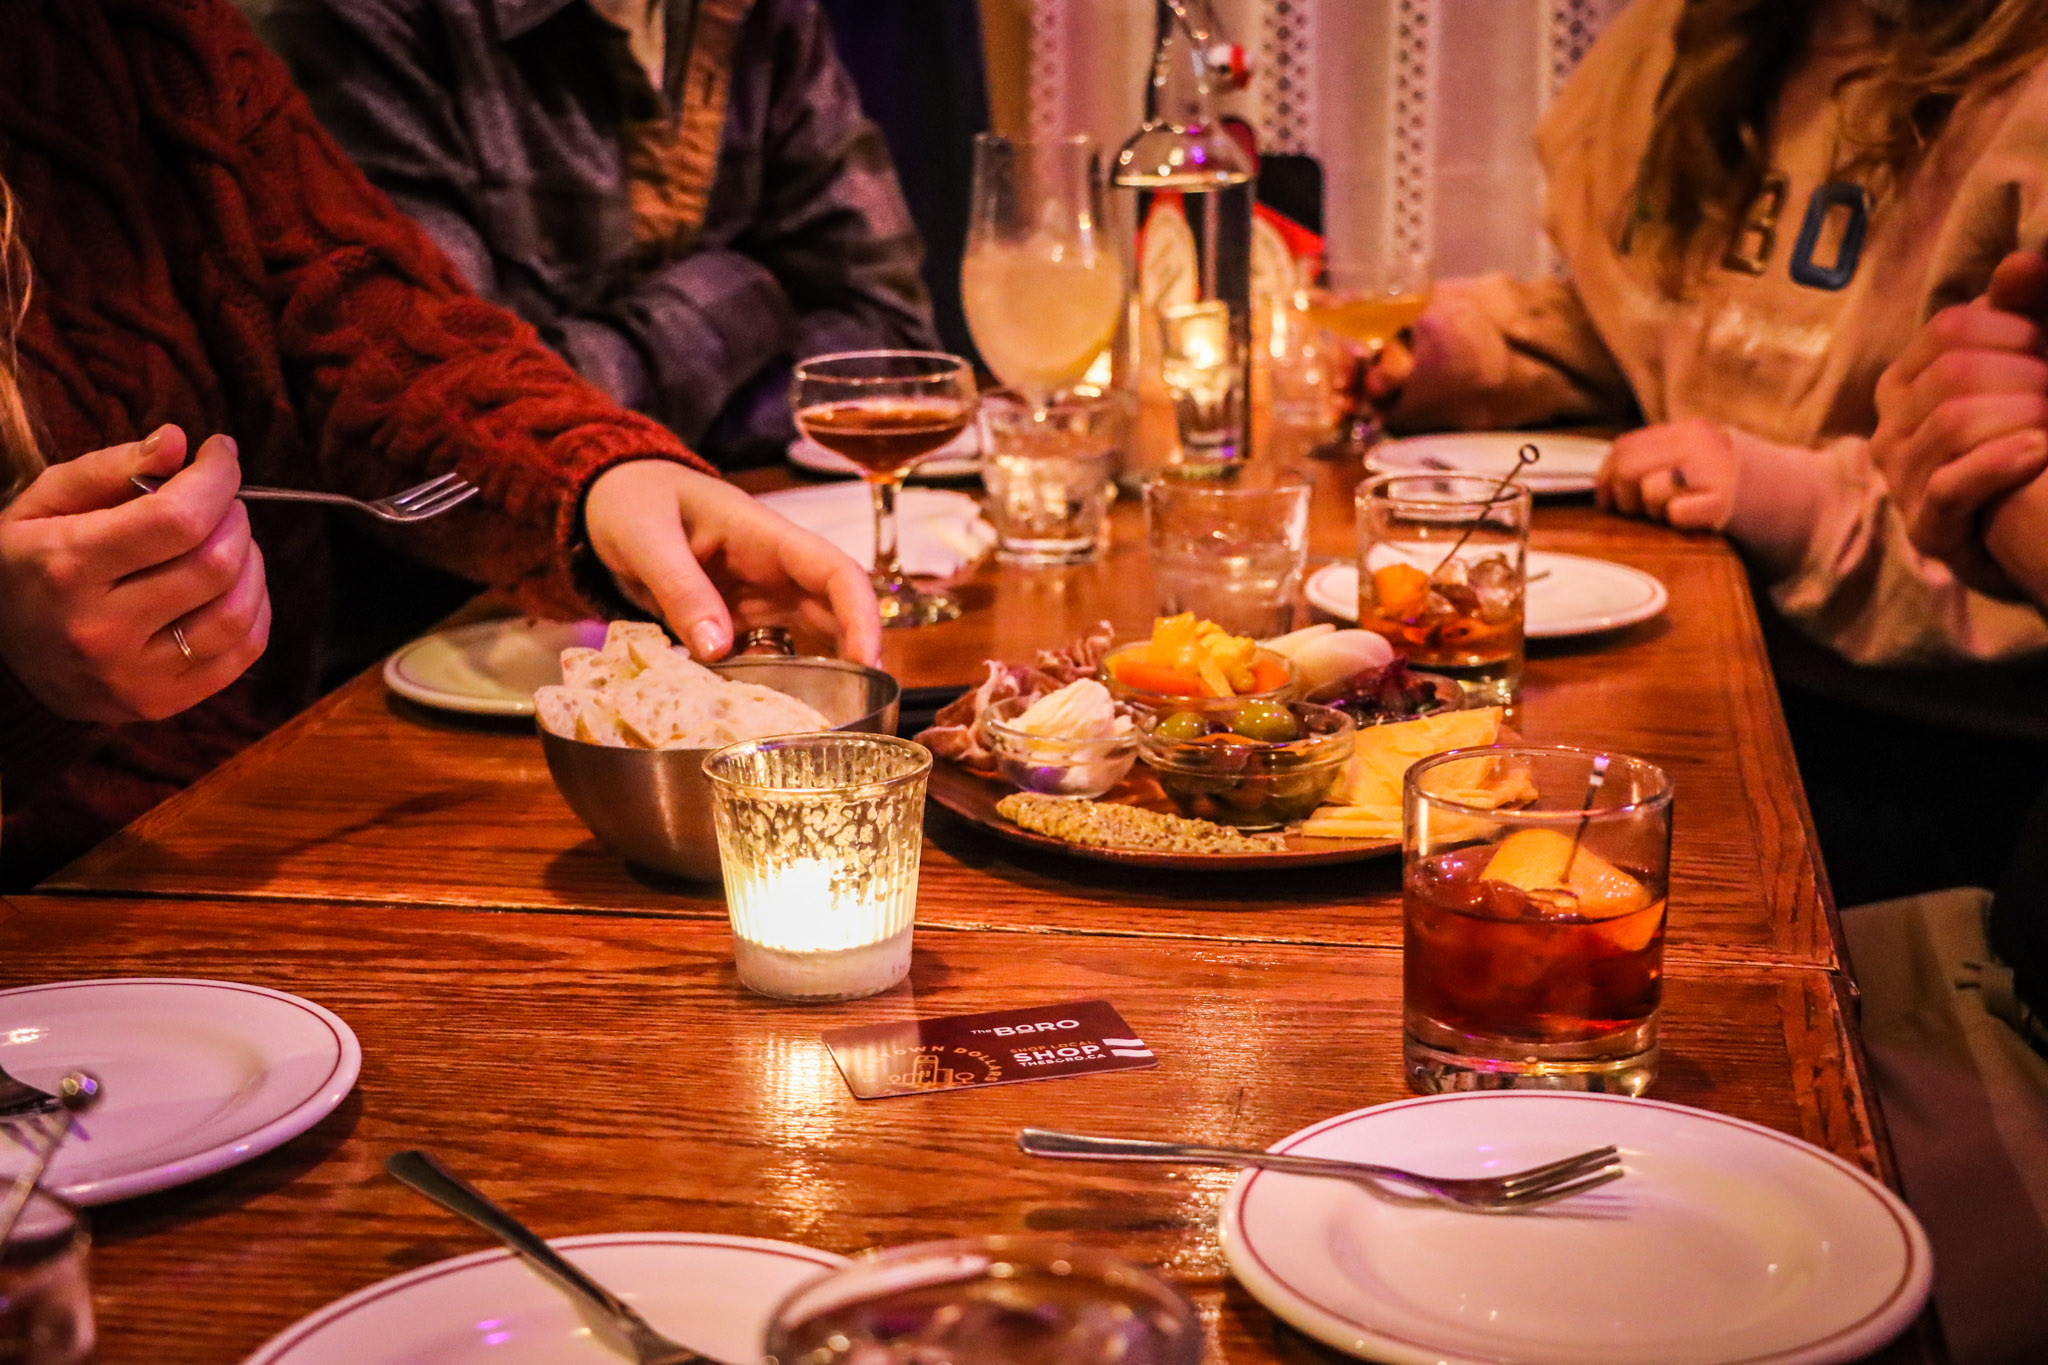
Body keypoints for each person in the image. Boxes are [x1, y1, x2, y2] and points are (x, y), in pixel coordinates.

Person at [0, 0, 879, 890]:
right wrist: (11, 676)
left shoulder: (140, 31)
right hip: (69, 903)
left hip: (260, 831)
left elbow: (360, 316)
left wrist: (604, 476)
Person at [1383, 0, 2048, 902]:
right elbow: (1653, 319)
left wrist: (1798, 503)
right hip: (1691, 660)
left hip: (1927, 746)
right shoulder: (1687, 35)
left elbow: (2011, 483)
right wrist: (1462, 351)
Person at [256, 0, 939, 471]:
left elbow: (896, 353)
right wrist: (733, 299)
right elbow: (453, 432)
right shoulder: (360, 19)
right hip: (450, 639)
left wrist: (644, 422)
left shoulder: (759, 13)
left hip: (706, 574)